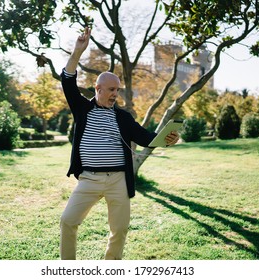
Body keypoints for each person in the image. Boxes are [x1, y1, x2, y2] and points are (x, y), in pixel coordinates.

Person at [59, 27, 179, 260]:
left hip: (118, 180)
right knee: (68, 221)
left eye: (118, 90)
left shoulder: (122, 117)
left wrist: (168, 138)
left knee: (120, 230)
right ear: (98, 89)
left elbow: (146, 137)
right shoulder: (83, 108)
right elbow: (68, 81)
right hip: (89, 178)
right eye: (111, 89)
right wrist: (77, 52)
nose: (115, 94)